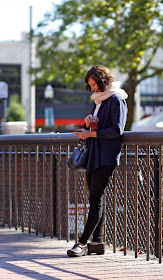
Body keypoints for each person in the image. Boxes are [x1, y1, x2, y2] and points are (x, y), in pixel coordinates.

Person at [67, 65, 128, 257]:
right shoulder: (98, 101)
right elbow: (98, 125)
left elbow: (117, 130)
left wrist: (90, 133)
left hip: (106, 156)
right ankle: (97, 242)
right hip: (94, 155)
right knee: (96, 199)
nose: (92, 88)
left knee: (95, 200)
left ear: (102, 81)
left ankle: (82, 242)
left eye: (94, 84)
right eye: (90, 85)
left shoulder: (117, 99)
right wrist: (87, 124)